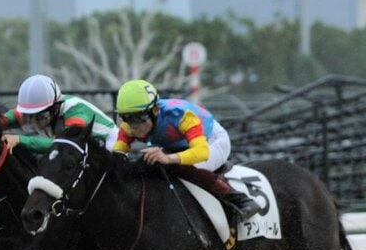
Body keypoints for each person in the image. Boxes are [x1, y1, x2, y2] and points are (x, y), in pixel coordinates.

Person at [111, 79, 262, 222]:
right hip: (179, 145)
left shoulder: (181, 116)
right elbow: (117, 156)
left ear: (155, 110)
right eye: (126, 117)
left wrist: (168, 159)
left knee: (180, 167)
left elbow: (202, 153)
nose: (133, 125)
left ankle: (239, 199)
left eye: (139, 117)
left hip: (211, 141)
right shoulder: (127, 126)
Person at [0, 73, 117, 153]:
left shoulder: (74, 110)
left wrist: (20, 140)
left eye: (40, 116)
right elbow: (10, 117)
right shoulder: (43, 108)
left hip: (108, 144)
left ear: (55, 108)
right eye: (29, 116)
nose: (33, 121)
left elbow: (62, 144)